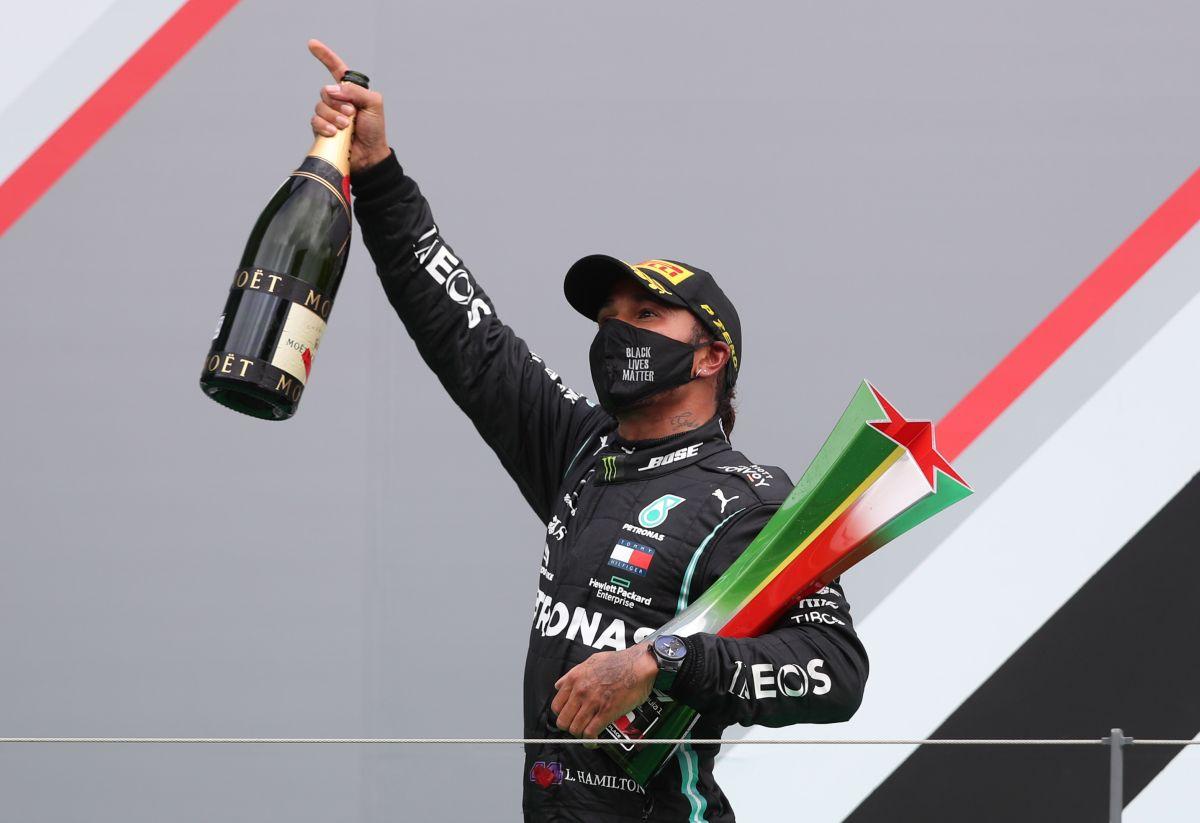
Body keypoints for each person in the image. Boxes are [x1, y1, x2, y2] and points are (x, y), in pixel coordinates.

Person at [307, 39, 869, 823]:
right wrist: (377, 174)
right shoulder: (582, 452)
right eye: (608, 318)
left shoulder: (753, 502)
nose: (616, 332)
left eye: (645, 315)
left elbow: (835, 671)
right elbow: (466, 334)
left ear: (712, 354)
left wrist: (660, 660)